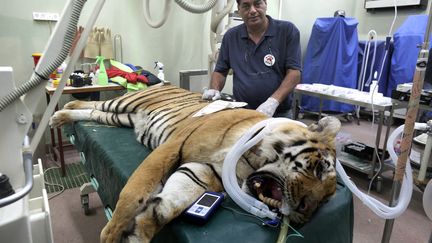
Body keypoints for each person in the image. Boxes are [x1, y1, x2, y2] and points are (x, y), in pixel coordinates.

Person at [202, 0, 302, 117]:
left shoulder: (287, 31)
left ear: (265, 4)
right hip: (242, 111)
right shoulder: (231, 36)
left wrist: (273, 102)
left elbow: (294, 73)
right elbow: (220, 71)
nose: (253, 10)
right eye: (246, 6)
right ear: (239, 9)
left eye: (257, 3)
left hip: (279, 113)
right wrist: (215, 89)